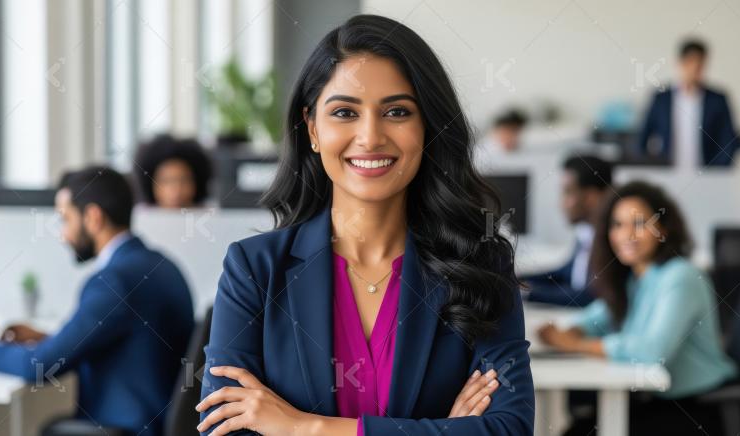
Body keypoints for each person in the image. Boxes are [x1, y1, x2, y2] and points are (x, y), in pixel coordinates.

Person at [196, 14, 534, 436]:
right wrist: (443, 430)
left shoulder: (482, 262)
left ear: (427, 127)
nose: (370, 137)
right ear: (313, 129)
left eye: (396, 111)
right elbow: (222, 428)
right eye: (344, 112)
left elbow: (508, 429)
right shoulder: (256, 269)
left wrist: (305, 428)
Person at [0, 166, 195, 436]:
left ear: (92, 217)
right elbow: (119, 339)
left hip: (128, 427)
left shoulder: (115, 281)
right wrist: (49, 337)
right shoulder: (161, 264)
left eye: (66, 219)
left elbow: (41, 366)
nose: (63, 235)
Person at [538, 181, 737, 435]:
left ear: (662, 228)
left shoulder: (681, 276)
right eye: (618, 225)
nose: (627, 235)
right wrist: (572, 331)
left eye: (640, 224)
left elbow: (652, 351)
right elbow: (596, 317)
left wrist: (575, 344)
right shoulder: (637, 279)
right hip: (654, 400)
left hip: (697, 408)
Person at [523, 155, 612, 307]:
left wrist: (527, 294)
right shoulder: (586, 231)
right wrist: (516, 280)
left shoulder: (613, 237)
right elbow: (567, 274)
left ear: (591, 197)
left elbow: (591, 296)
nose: (561, 203)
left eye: (568, 192)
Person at [635, 38, 738, 167]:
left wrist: (717, 171)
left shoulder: (717, 100)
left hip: (708, 176)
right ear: (680, 63)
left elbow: (728, 141)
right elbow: (642, 137)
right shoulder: (661, 99)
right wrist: (649, 167)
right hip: (667, 174)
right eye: (690, 63)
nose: (695, 69)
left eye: (700, 65)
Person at [134, 134, 213, 209]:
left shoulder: (209, 217)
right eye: (166, 181)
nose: (176, 191)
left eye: (184, 180)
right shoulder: (142, 216)